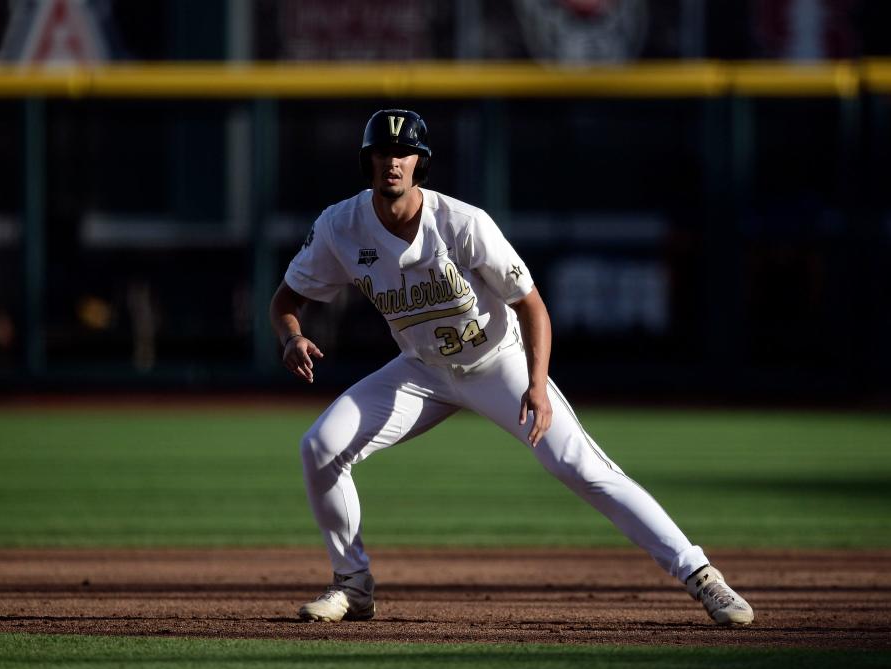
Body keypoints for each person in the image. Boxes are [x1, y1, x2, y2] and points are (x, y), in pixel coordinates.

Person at [268, 108, 753, 626]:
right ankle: (353, 584)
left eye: (403, 153)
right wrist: (293, 337)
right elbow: (284, 302)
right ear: (369, 161)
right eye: (382, 153)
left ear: (420, 163)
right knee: (319, 447)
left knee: (579, 465)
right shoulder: (341, 226)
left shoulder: (462, 224)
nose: (392, 162)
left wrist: (537, 385)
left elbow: (532, 306)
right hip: (422, 370)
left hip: (497, 361)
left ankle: (701, 574)